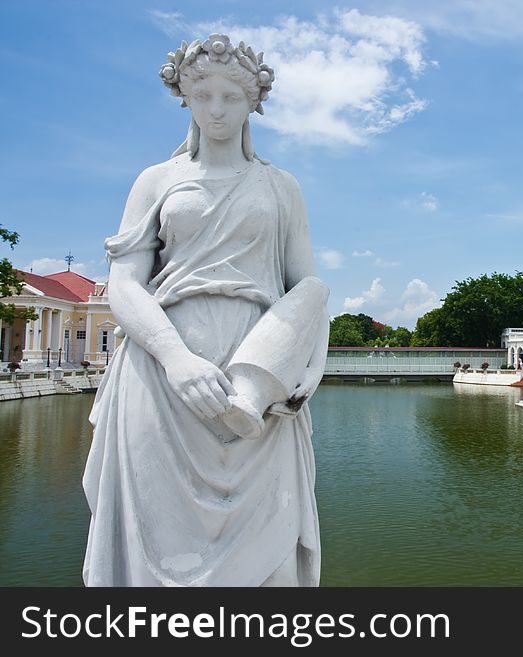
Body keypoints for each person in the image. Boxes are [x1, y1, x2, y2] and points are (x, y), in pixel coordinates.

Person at [82, 34, 329, 586]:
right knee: (155, 538)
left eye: (231, 97)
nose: (216, 109)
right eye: (203, 95)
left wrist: (309, 367)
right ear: (185, 99)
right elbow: (124, 285)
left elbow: (307, 287)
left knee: (269, 553)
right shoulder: (156, 181)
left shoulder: (280, 186)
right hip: (163, 375)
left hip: (258, 378)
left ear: (252, 103)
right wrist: (175, 358)